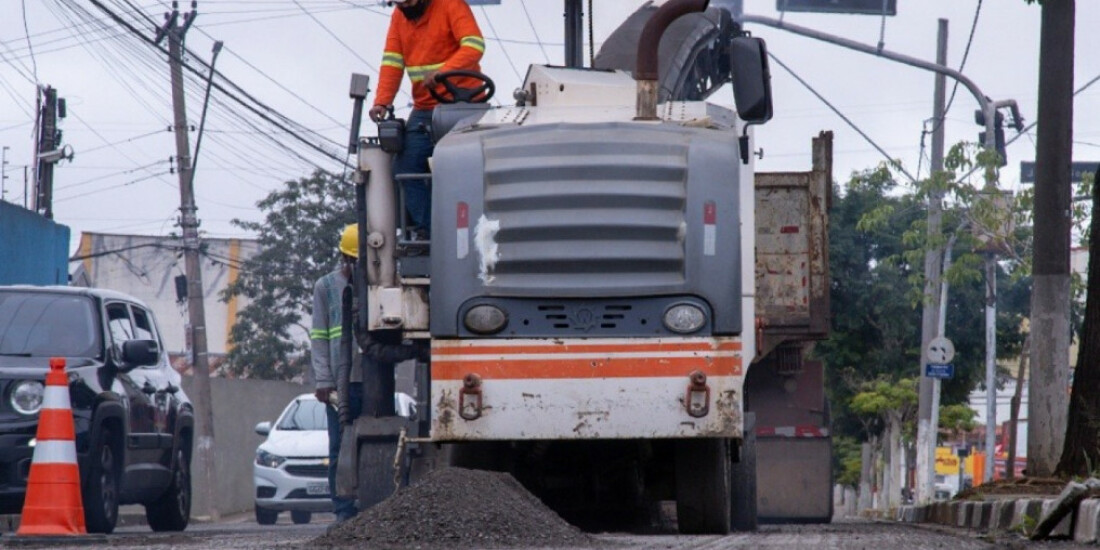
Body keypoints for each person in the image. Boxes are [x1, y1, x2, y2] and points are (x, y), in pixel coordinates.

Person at [311, 223, 422, 523]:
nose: (357, 268)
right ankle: (344, 513)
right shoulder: (326, 287)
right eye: (352, 261)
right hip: (342, 383)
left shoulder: (388, 286)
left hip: (374, 380)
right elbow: (319, 337)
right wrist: (323, 381)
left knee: (380, 443)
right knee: (339, 448)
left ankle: (378, 510)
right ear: (344, 259)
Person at [368, 0, 486, 237]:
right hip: (425, 108)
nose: (406, 6)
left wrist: (443, 72)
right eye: (401, 2)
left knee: (476, 167)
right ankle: (431, 234)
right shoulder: (399, 17)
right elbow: (392, 62)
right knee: (404, 168)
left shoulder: (451, 5)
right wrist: (381, 100)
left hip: (466, 104)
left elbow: (474, 45)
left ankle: (476, 233)